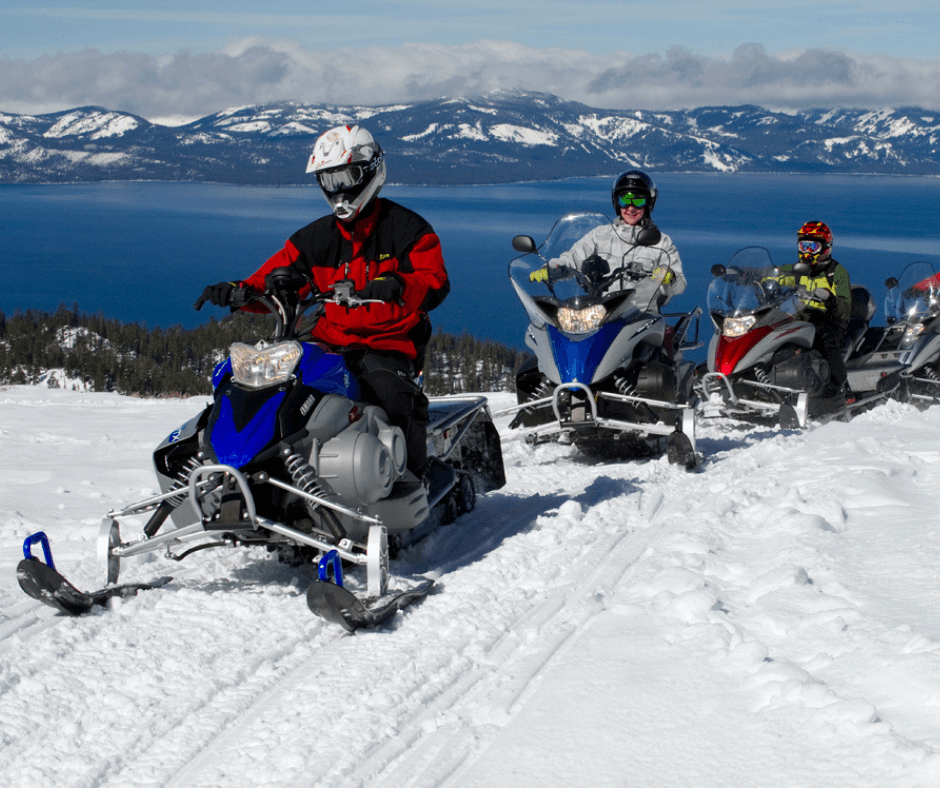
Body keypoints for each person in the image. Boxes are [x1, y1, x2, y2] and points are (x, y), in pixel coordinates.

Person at [196, 124, 450, 481]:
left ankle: (413, 480)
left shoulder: (408, 230)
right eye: (329, 181)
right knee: (277, 392)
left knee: (394, 398)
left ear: (370, 171)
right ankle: (262, 471)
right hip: (328, 341)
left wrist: (396, 285)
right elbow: (275, 279)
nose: (340, 191)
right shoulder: (314, 239)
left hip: (387, 344)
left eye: (346, 177)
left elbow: (434, 281)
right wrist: (238, 291)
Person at [530, 169, 687, 309]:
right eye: (625, 200)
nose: (631, 208)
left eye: (638, 201)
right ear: (617, 203)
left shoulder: (661, 242)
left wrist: (670, 277)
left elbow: (679, 286)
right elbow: (572, 258)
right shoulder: (599, 235)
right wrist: (550, 270)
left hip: (641, 315)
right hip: (602, 312)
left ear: (649, 204)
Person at [776, 220, 851, 399]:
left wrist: (828, 298)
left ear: (825, 247)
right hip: (799, 318)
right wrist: (745, 275)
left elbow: (844, 308)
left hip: (829, 320)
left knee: (823, 337)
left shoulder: (836, 272)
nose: (807, 252)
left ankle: (840, 387)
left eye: (812, 246)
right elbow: (774, 275)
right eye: (804, 245)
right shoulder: (797, 270)